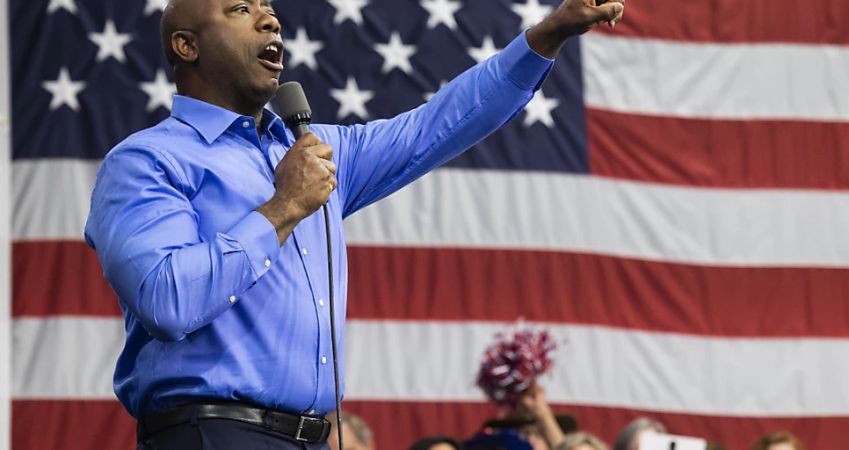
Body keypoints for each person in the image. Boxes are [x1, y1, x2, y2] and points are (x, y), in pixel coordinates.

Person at [83, 0, 626, 449]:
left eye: (270, 11)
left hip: (319, 437)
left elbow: (437, 125)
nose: (271, 20)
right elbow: (164, 300)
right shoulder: (146, 162)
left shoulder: (315, 151)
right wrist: (282, 208)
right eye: (241, 9)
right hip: (212, 433)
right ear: (187, 45)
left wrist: (545, 37)